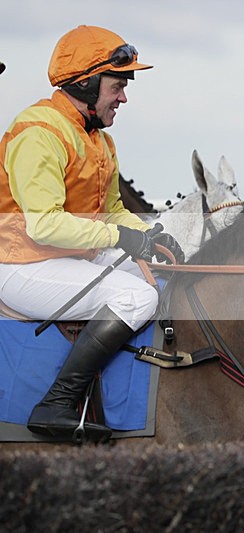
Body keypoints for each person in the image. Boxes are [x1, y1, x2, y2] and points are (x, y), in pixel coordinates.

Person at [0, 25, 184, 439]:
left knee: (168, 280)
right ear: (85, 83)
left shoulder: (99, 139)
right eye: (117, 86)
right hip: (19, 264)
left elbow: (113, 212)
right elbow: (44, 225)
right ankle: (56, 403)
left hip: (66, 259)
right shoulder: (39, 133)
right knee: (136, 296)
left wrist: (150, 235)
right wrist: (121, 239)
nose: (123, 97)